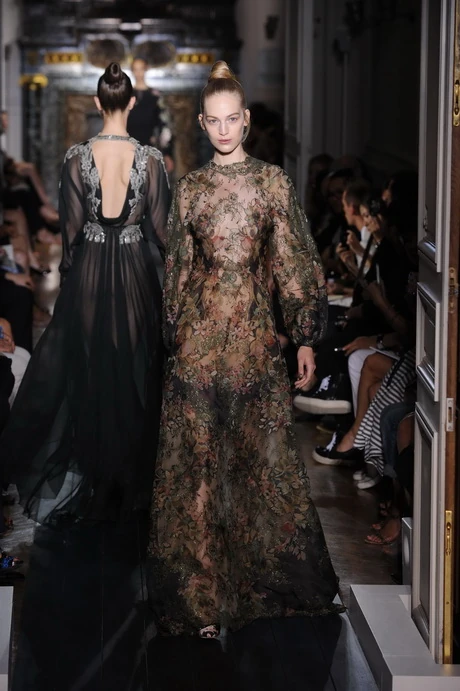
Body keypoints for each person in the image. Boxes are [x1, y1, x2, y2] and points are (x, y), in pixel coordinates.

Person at [148, 61, 341, 639]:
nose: (224, 129)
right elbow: (178, 270)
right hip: (198, 346)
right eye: (215, 121)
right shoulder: (190, 189)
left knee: (262, 461)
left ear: (247, 119)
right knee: (197, 468)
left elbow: (293, 262)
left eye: (233, 119)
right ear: (202, 123)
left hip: (254, 343)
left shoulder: (273, 184)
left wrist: (304, 338)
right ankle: (200, 600)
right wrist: (173, 336)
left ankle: (262, 586)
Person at [0, 62, 170, 522]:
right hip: (135, 275)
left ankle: (96, 476)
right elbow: (161, 234)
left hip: (91, 272)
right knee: (132, 368)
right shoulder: (151, 160)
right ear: (131, 102)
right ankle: (127, 480)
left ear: (97, 103)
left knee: (94, 370)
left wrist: (70, 282)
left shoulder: (76, 157)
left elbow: (71, 233)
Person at [127, 58, 174, 174]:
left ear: (146, 70)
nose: (138, 73)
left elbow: (164, 125)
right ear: (132, 71)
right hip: (128, 148)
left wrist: (167, 153)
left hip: (150, 147)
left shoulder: (156, 96)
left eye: (141, 69)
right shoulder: (126, 96)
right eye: (135, 69)